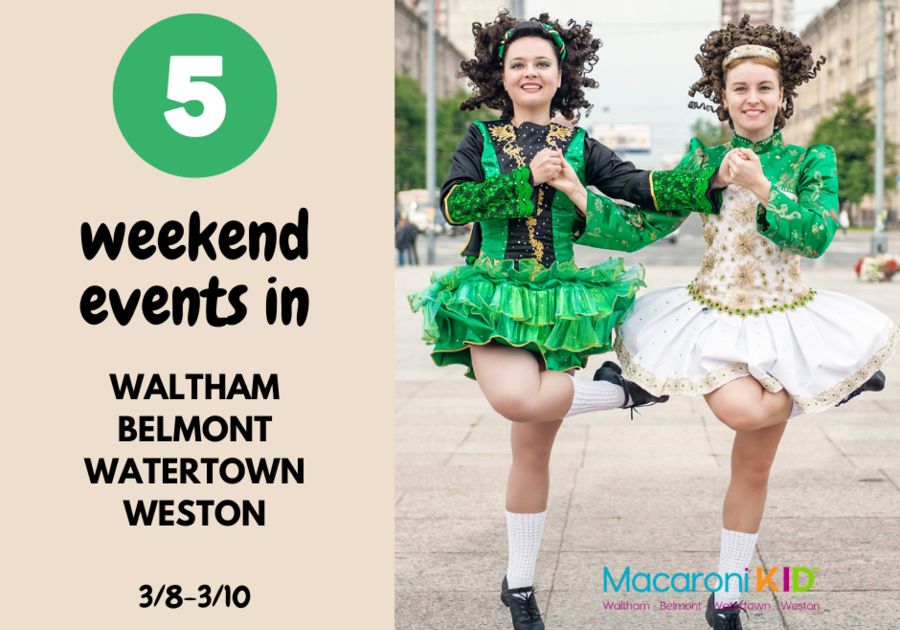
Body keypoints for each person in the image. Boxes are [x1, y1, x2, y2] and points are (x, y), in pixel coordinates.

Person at [408, 12, 719, 630]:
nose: (530, 72)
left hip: (561, 303)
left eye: (541, 64)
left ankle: (519, 586)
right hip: (489, 293)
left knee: (532, 452)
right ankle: (623, 390)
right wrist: (525, 178)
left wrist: (707, 174)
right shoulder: (480, 139)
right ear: (501, 75)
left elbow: (639, 186)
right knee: (519, 402)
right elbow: (453, 204)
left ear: (561, 75)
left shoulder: (581, 144)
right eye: (518, 63)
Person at [613, 16, 897, 630]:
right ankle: (839, 385)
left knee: (755, 467)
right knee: (743, 411)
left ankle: (727, 595)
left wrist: (765, 187)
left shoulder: (808, 158)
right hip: (711, 318)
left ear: (782, 95)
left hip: (785, 319)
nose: (752, 99)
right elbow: (643, 226)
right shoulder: (703, 159)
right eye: (739, 87)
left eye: (764, 88)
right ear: (722, 96)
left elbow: (819, 235)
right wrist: (579, 206)